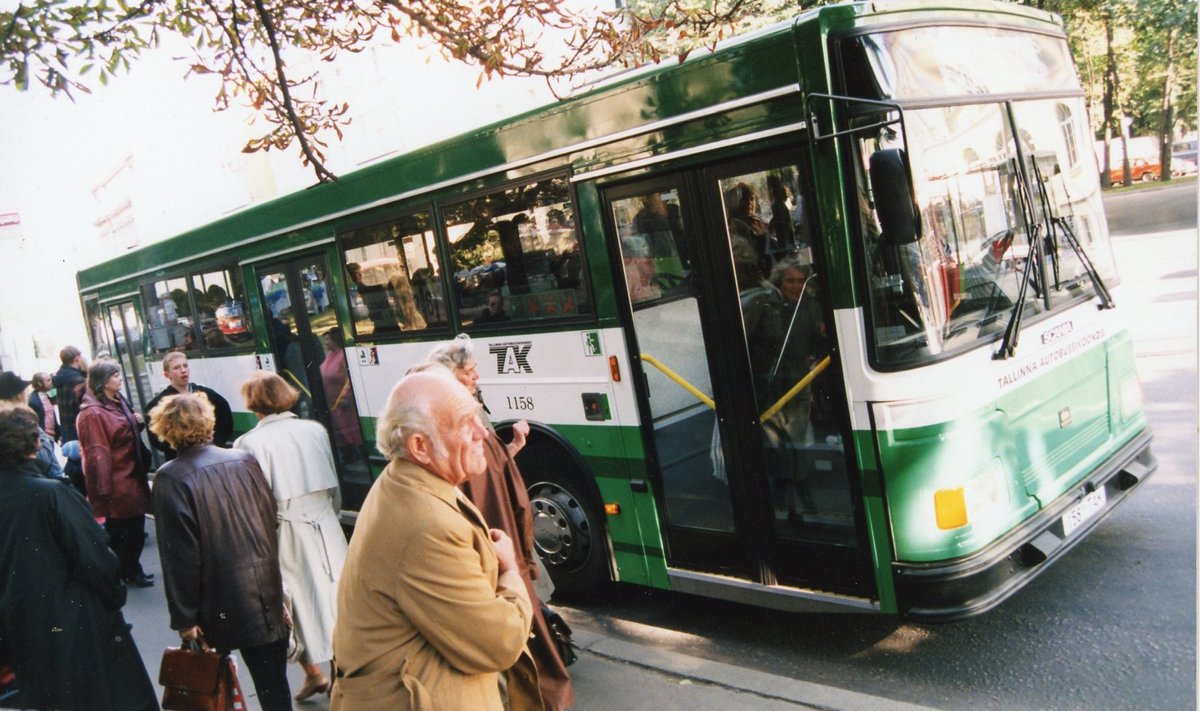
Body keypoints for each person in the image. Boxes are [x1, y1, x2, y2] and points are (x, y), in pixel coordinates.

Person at [330, 371, 539, 710]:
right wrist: (510, 569)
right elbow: (500, 642)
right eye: (464, 423)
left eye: (477, 417)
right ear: (419, 446)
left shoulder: (407, 479)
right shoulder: (428, 526)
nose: (481, 432)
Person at [421, 335, 575, 710]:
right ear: (452, 375)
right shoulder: (449, 417)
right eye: (470, 373)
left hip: (503, 527)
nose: (476, 379)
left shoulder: (465, 411)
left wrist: (515, 447)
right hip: (494, 532)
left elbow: (489, 465)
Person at [0, 405, 159, 711]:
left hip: (20, 628)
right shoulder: (51, 494)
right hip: (78, 625)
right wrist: (113, 598)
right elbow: (96, 557)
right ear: (34, 443)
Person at [149, 392, 292, 711]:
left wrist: (184, 618)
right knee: (274, 688)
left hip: (214, 603)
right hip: (262, 594)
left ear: (165, 429)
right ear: (208, 422)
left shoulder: (170, 477)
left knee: (212, 691)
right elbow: (270, 520)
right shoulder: (243, 459)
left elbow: (180, 555)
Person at [234, 371, 348, 702]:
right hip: (324, 524)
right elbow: (334, 487)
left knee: (295, 609)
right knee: (335, 598)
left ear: (254, 403)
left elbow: (257, 502)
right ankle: (341, 677)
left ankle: (313, 673)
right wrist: (331, 515)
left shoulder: (248, 443)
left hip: (286, 531)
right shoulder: (314, 430)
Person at [76, 361, 155, 587]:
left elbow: (120, 433)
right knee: (129, 530)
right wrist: (103, 490)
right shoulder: (93, 413)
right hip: (118, 481)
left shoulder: (117, 401)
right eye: (115, 374)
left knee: (128, 530)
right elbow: (97, 454)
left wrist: (136, 423)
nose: (120, 378)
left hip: (130, 475)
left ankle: (127, 569)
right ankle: (125, 569)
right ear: (103, 382)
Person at [143, 352, 234, 459]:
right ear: (167, 374)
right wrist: (178, 450)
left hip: (209, 455)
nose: (183, 370)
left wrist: (214, 444)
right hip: (179, 459)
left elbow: (226, 421)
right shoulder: (159, 404)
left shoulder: (209, 395)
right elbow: (155, 437)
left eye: (185, 366)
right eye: (176, 368)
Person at [1, 371, 64, 480]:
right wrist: (45, 440)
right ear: (18, 395)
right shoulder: (22, 419)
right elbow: (43, 459)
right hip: (40, 478)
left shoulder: (10, 419)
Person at [318, 329, 364, 464]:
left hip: (344, 404)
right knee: (341, 434)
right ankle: (349, 457)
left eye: (328, 339)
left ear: (335, 340)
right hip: (333, 403)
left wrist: (345, 398)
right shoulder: (330, 356)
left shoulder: (344, 356)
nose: (325, 342)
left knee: (353, 434)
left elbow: (350, 379)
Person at [347, 262, 401, 334]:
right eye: (358, 273)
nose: (361, 276)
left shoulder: (361, 286)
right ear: (352, 276)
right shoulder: (352, 289)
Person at [52, 346, 89, 443]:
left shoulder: (59, 378)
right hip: (80, 431)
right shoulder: (78, 380)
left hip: (67, 431)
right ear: (76, 359)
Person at [25, 372, 58, 441]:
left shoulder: (49, 393)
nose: (51, 382)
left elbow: (58, 393)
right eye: (48, 380)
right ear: (40, 384)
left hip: (53, 434)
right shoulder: (33, 400)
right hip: (44, 436)